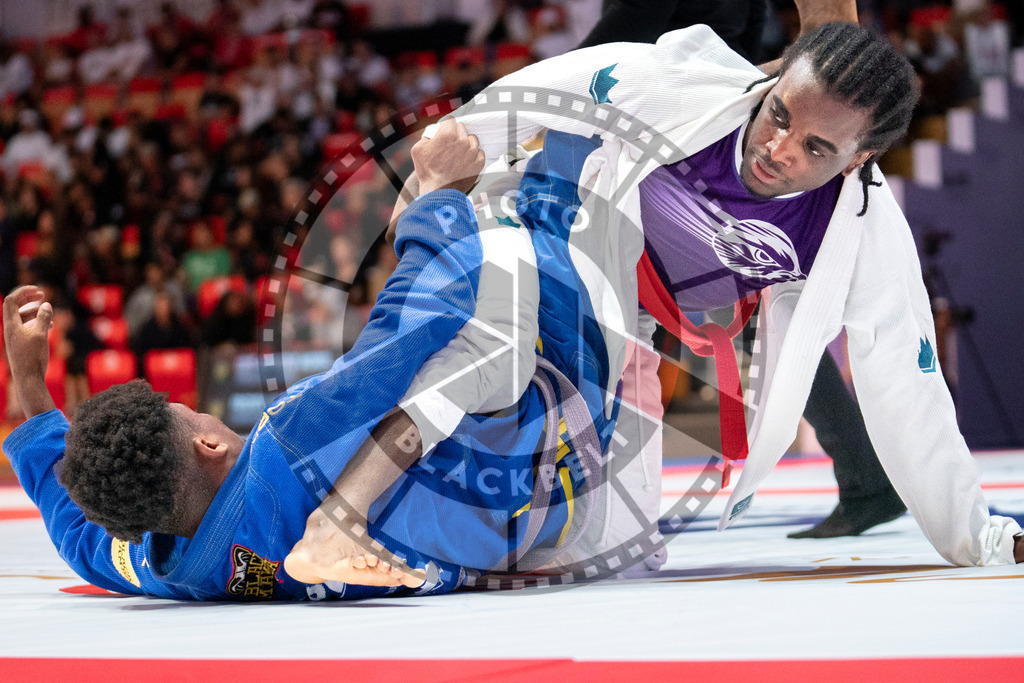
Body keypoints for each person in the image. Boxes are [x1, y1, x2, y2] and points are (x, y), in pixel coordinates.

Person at [363, 21, 1023, 571]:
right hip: (561, 241)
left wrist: (977, 536)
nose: (777, 148)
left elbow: (908, 385)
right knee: (485, 368)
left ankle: (418, 516)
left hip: (646, 320)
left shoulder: (861, 230)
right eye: (779, 114)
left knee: (615, 553)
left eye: (815, 147)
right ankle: (358, 492)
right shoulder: (671, 82)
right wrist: (425, 195)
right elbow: (521, 98)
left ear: (856, 160)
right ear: (772, 81)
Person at [1, 118, 635, 600]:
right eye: (189, 412)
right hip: (558, 464)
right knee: (506, 253)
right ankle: (568, 167)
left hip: (518, 538)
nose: (204, 415)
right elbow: (415, 322)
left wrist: (30, 392)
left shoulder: (168, 567)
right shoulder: (288, 442)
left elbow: (75, 531)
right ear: (209, 446)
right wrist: (434, 201)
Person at [579, 0, 906, 540]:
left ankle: (867, 477)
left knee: (749, 308)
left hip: (707, 138)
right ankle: (866, 477)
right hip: (721, 133)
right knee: (759, 311)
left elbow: (594, 75)